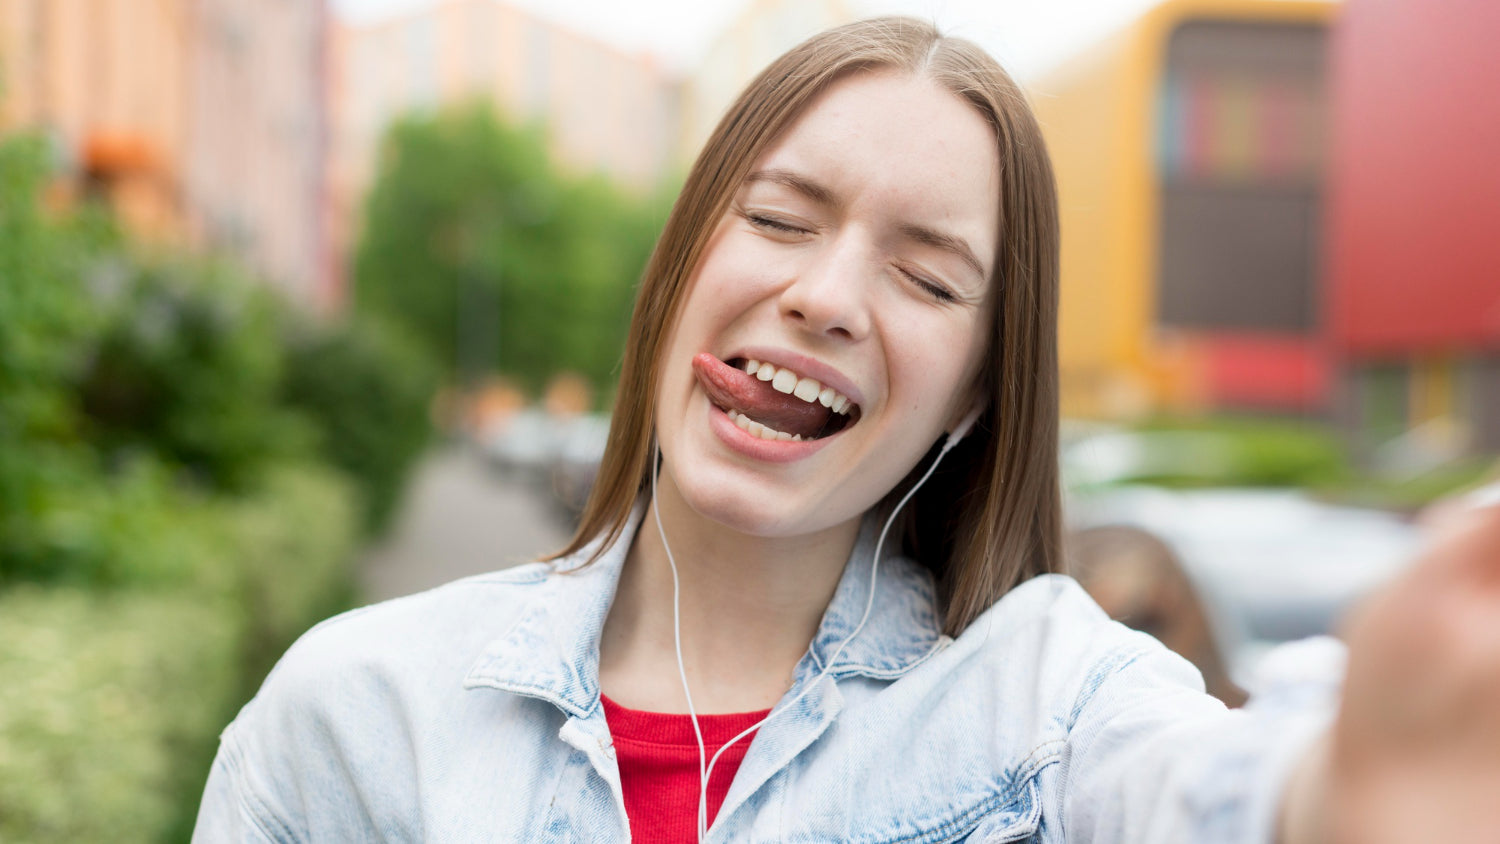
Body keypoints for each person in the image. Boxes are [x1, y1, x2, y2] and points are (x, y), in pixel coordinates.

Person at [193, 17, 1500, 843]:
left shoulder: (1044, 710)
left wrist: (1345, 790)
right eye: (776, 217)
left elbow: (1207, 792)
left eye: (928, 279)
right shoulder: (356, 717)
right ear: (674, 268)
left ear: (978, 393)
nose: (824, 296)